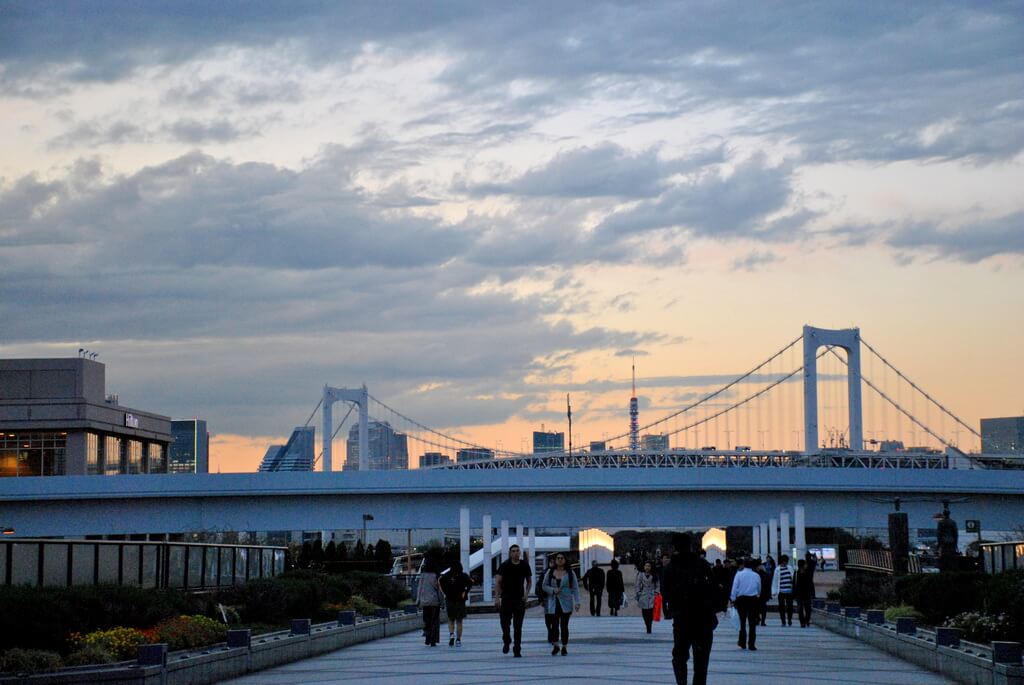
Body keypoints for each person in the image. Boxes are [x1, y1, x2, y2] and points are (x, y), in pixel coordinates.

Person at [662, 533, 719, 685]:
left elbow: (665, 593)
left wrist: (671, 609)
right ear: (691, 546)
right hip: (703, 620)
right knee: (701, 661)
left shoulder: (670, 568)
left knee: (680, 657)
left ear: (675, 547)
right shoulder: (703, 565)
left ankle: (682, 683)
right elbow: (714, 589)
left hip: (682, 620)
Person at [494, 544, 531, 657]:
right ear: (510, 553)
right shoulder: (505, 565)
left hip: (519, 599)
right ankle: (506, 640)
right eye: (513, 551)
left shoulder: (524, 565)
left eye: (517, 551)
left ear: (519, 553)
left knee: (518, 625)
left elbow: (529, 581)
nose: (515, 553)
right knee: (505, 623)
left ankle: (517, 648)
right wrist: (497, 598)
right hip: (506, 598)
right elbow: (498, 582)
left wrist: (526, 593)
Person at [543, 553, 581, 655]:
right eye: (558, 558)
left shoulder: (570, 573)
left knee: (564, 625)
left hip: (566, 603)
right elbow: (544, 585)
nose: (560, 560)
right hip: (554, 603)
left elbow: (575, 588)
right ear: (555, 560)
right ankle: (556, 645)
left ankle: (564, 645)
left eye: (562, 558)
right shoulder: (550, 572)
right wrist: (553, 590)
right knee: (554, 625)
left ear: (565, 560)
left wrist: (577, 602)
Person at [730, 558, 762, 650]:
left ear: (744, 565)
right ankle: (751, 644)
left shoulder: (739, 574)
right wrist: (757, 595)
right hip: (752, 599)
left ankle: (742, 642)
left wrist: (733, 599)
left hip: (741, 599)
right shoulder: (756, 575)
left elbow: (734, 587)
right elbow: (759, 587)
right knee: (752, 622)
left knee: (742, 622)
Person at [439, 560, 473, 646]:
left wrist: (446, 592)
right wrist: (465, 591)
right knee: (459, 621)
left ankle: (451, 634)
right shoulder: (464, 576)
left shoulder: (446, 576)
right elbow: (470, 582)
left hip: (450, 599)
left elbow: (440, 582)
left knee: (450, 619)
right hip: (460, 600)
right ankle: (458, 640)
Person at [417, 554, 442, 646]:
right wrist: (442, 601)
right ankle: (433, 639)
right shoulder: (436, 575)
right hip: (435, 601)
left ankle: (427, 637)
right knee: (434, 620)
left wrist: (418, 600)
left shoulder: (423, 575)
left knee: (426, 620)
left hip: (425, 601)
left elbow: (419, 588)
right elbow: (439, 590)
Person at [636, 560, 660, 634]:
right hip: (643, 595)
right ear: (644, 567)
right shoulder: (641, 575)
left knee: (650, 612)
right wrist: (638, 592)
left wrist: (656, 592)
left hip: (652, 595)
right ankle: (647, 624)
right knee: (644, 612)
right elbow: (637, 584)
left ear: (651, 567)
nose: (647, 567)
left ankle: (649, 626)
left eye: (649, 566)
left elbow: (658, 585)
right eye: (646, 566)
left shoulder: (655, 575)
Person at [772, 554, 795, 626]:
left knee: (790, 607)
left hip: (789, 591)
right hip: (781, 591)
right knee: (781, 607)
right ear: (782, 561)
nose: (786, 563)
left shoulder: (790, 568)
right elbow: (775, 581)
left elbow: (793, 578)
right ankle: (783, 621)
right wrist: (774, 591)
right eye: (785, 561)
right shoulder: (777, 569)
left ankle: (789, 619)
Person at [795, 558, 814, 627]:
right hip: (803, 593)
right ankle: (804, 621)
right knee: (806, 608)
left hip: (803, 593)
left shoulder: (805, 572)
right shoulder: (806, 572)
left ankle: (804, 621)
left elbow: (795, 583)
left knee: (804, 608)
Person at [755, 559, 771, 627]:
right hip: (764, 594)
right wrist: (769, 595)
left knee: (756, 607)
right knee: (763, 608)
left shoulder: (756, 574)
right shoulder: (766, 574)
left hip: (757, 594)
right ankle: (763, 621)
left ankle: (758, 619)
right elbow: (768, 585)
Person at [658, 552, 674, 620]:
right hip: (663, 588)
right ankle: (666, 614)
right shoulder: (659, 568)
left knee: (670, 602)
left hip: (670, 588)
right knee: (664, 602)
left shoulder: (671, 568)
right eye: (664, 558)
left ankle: (670, 614)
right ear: (661, 559)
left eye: (667, 558)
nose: (665, 560)